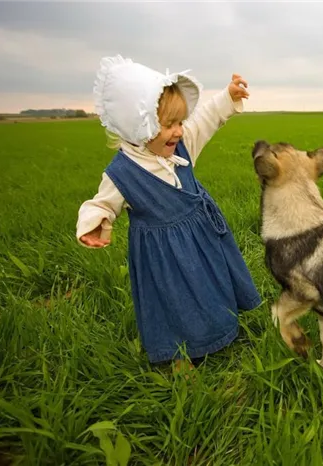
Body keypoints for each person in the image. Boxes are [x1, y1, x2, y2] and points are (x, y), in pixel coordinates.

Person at [76, 55, 262, 372]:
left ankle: (220, 330)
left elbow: (205, 119)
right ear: (139, 124)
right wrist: (95, 223)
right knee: (174, 301)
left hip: (202, 237)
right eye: (168, 124)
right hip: (162, 256)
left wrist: (227, 98)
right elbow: (102, 203)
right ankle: (178, 355)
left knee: (210, 285)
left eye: (179, 122)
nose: (178, 131)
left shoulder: (182, 144)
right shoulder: (123, 172)